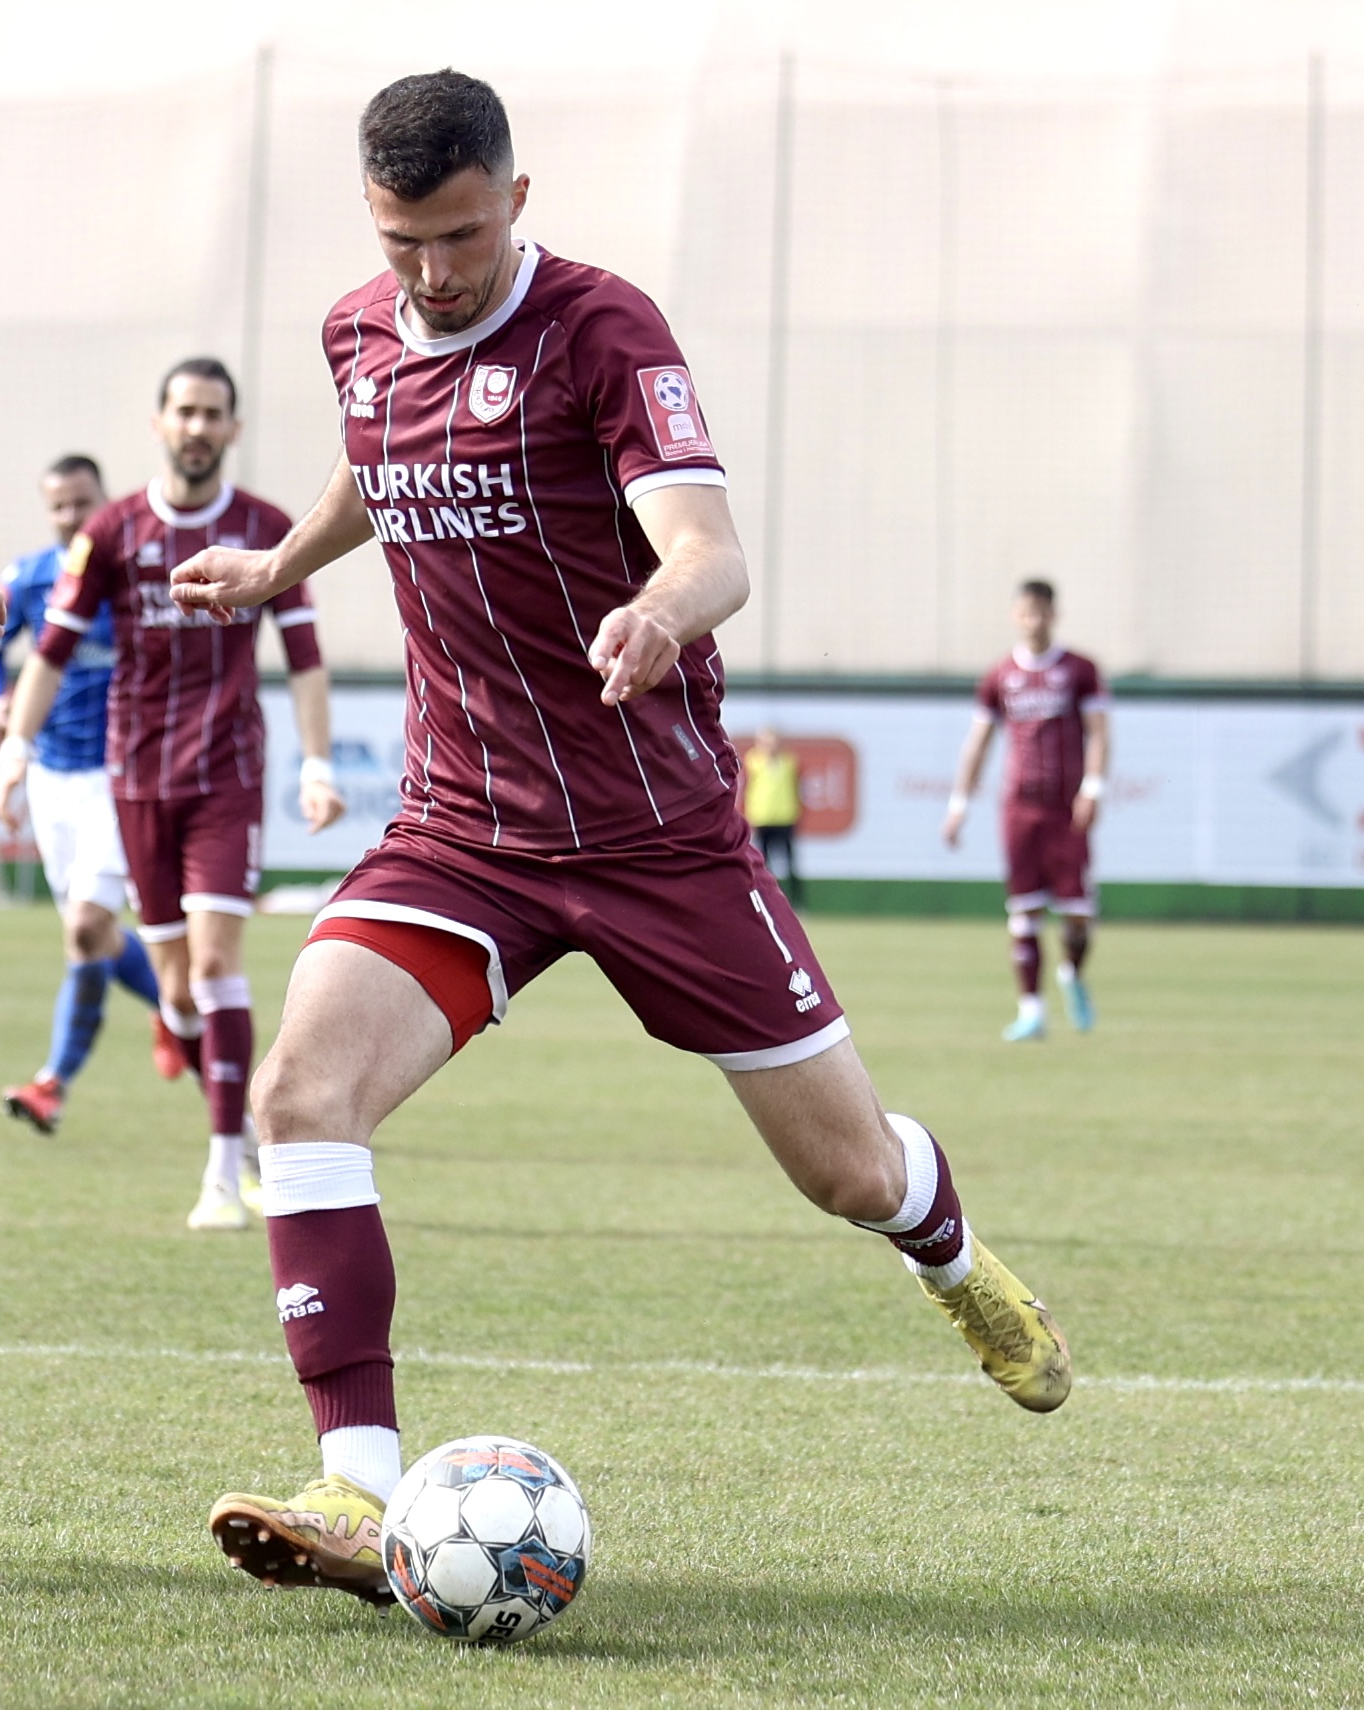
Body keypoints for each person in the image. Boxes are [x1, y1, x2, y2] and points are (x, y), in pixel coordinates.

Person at [168, 71, 1073, 1603]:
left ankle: (949, 1253)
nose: (431, 275)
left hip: (656, 834)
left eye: (458, 237)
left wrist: (658, 611)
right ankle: (356, 1485)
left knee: (847, 1172)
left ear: (516, 201)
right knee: (301, 1088)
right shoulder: (357, 330)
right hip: (462, 826)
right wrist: (279, 563)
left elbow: (711, 550)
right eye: (402, 244)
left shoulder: (601, 330)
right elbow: (375, 464)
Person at [0, 359, 345, 1231]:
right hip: (138, 783)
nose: (197, 426)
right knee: (180, 991)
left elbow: (304, 657)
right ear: (159, 424)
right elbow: (50, 652)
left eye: (213, 414)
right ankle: (255, 1146)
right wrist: (14, 751)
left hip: (226, 776)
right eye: (184, 411)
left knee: (219, 963)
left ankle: (223, 1176)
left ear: (231, 429)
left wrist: (317, 764)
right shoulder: (112, 532)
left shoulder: (268, 529)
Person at [0, 452, 164, 1136]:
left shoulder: (135, 571)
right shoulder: (29, 578)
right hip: (53, 776)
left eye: (82, 503)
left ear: (103, 500)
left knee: (87, 927)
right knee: (93, 937)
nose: (71, 517)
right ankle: (178, 1008)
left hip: (123, 774)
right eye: (58, 506)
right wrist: (0, 706)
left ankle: (53, 1081)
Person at [942, 581, 1110, 1042]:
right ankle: (1031, 1010)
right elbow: (978, 743)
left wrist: (1093, 787)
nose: (1033, 620)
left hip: (1066, 808)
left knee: (1077, 915)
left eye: (1041, 612)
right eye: (1026, 612)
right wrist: (959, 805)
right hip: (1019, 808)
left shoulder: (1080, 671)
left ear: (1054, 614)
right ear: (1016, 615)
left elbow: (1098, 732)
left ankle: (1071, 974)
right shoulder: (1000, 676)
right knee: (1024, 913)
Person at [743, 726, 803, 904]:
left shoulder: (789, 762)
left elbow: (797, 788)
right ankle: (767, 899)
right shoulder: (753, 761)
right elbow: (747, 789)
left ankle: (797, 902)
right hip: (762, 818)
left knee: (790, 863)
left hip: (785, 817)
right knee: (763, 864)